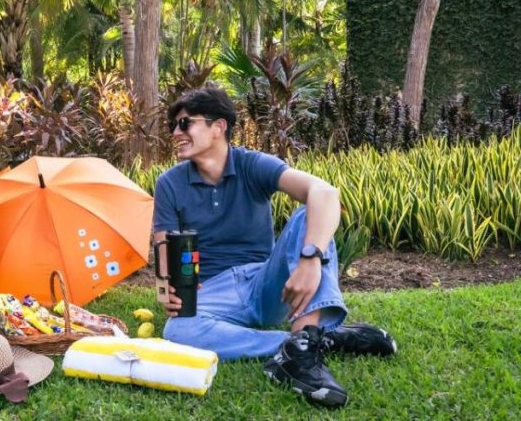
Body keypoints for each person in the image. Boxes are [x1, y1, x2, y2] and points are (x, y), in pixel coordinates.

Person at [153, 86, 396, 408]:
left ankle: (301, 354)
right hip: (212, 290)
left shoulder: (252, 165)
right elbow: (162, 250)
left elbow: (324, 193)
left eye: (185, 123)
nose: (176, 132)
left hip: (265, 283)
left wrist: (310, 259)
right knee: (178, 330)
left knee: (310, 213)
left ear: (218, 126)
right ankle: (307, 342)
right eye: (173, 126)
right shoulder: (169, 183)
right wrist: (166, 290)